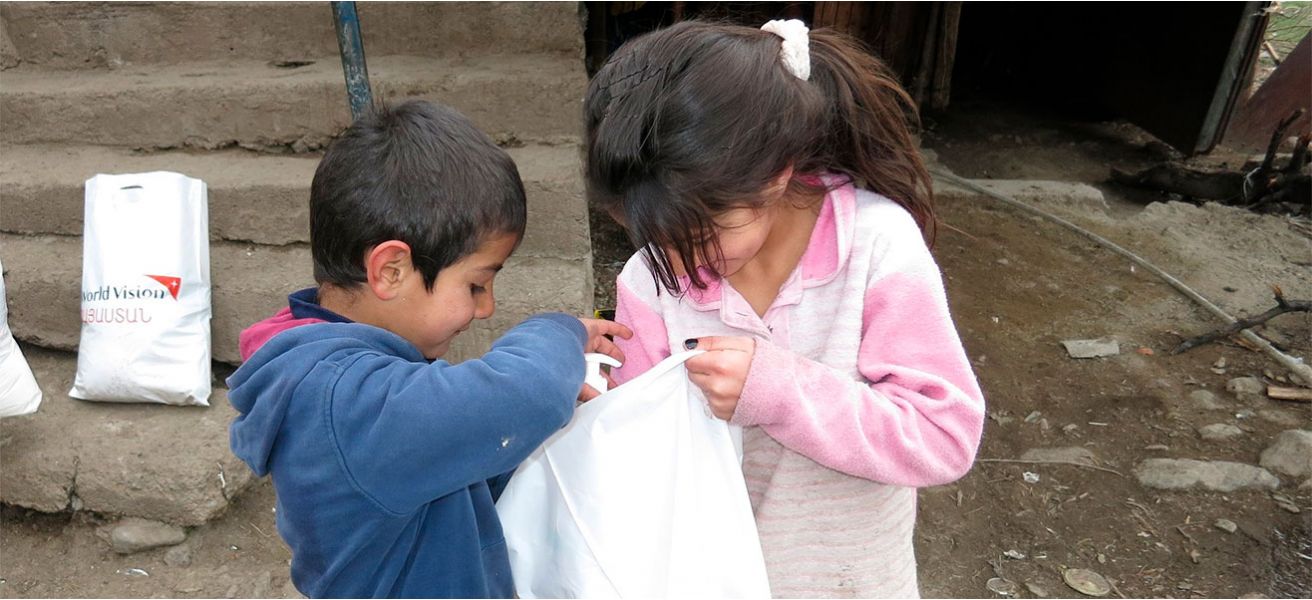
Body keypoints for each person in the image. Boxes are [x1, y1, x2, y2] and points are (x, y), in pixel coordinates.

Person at [585, 20, 985, 598]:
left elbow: (942, 436)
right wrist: (592, 396)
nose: (676, 260)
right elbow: (640, 451)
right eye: (652, 237)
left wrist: (779, 390)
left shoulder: (877, 250)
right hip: (707, 579)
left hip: (848, 581)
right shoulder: (650, 281)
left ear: (774, 175)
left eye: (700, 234)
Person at [227, 100, 629, 598]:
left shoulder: (342, 376)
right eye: (476, 285)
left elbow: (472, 465)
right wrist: (559, 332)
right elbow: (523, 395)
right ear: (391, 270)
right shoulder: (341, 401)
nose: (485, 308)